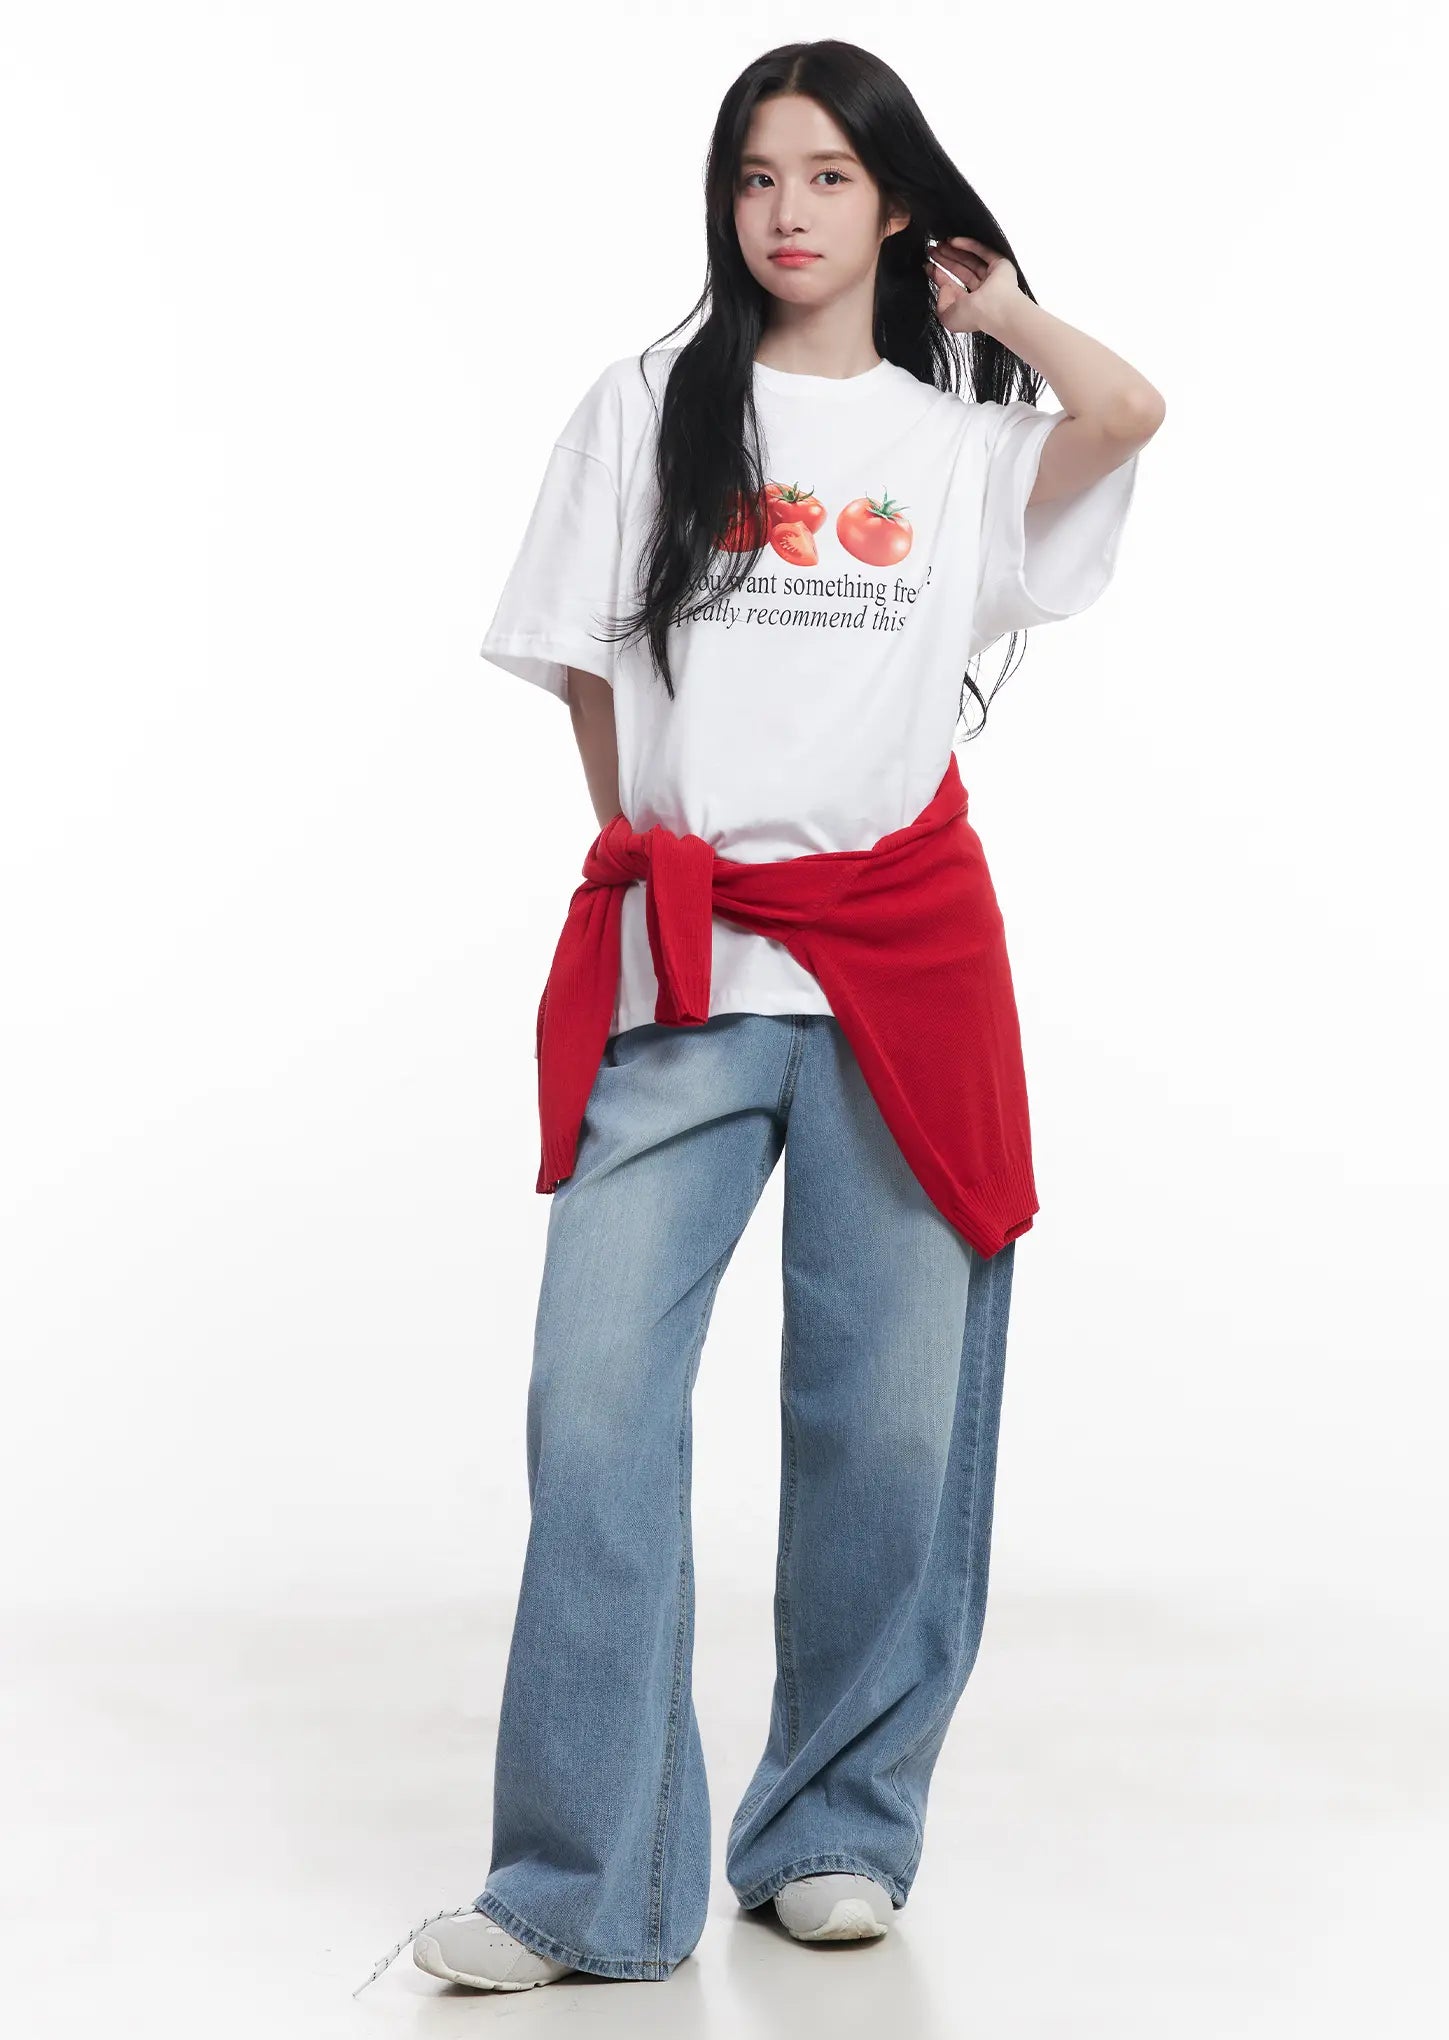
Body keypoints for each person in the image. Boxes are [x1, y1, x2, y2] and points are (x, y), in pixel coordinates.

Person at [371, 34, 1162, 1999]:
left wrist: (998, 309)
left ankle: (835, 1829)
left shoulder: (958, 447)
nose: (785, 211)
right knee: (595, 1399)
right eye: (755, 175)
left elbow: (1130, 411)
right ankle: (585, 1884)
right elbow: (585, 676)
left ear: (895, 207)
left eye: (827, 176)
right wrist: (658, 859)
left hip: (903, 961)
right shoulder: (645, 408)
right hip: (693, 960)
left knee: (886, 1417)